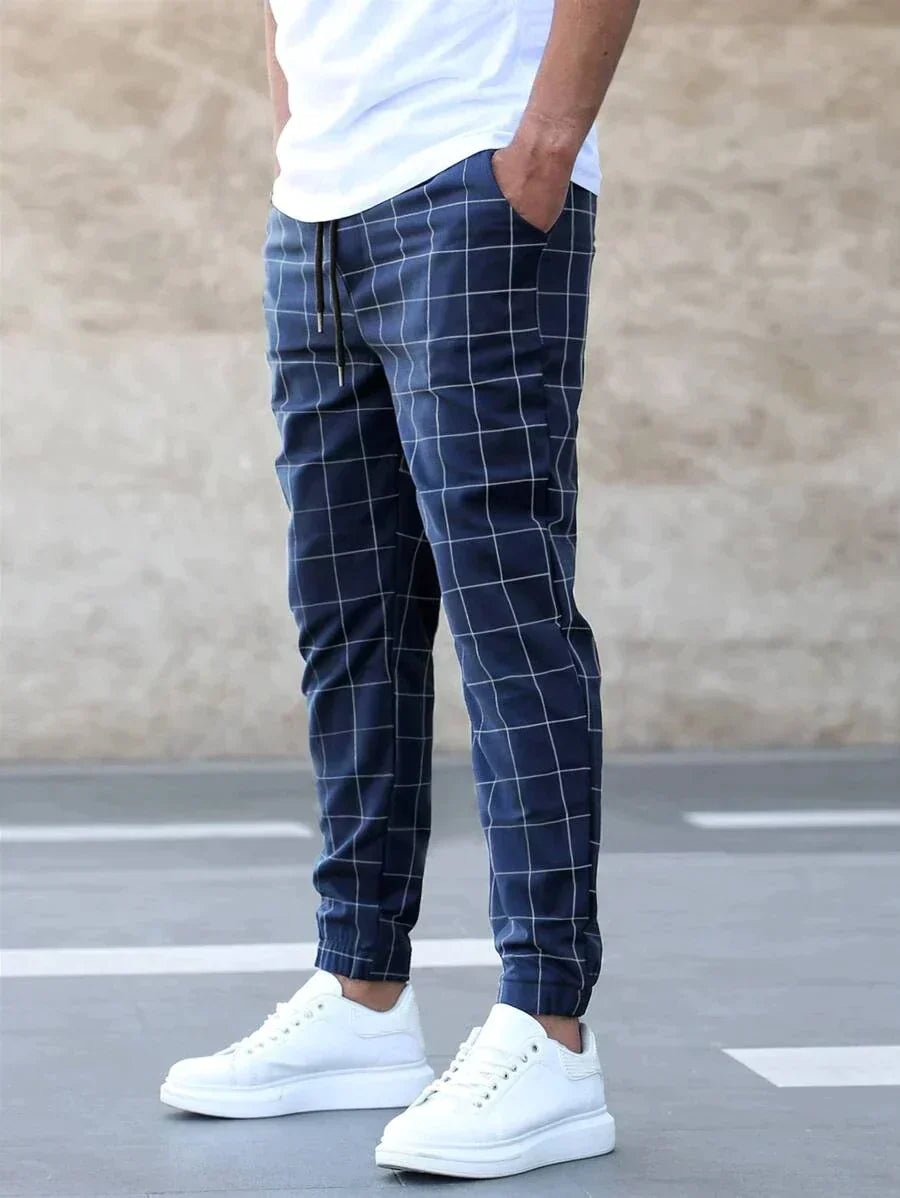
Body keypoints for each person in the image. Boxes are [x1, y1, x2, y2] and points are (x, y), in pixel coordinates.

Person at [161, 0, 639, 1179]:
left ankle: (549, 1026)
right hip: (315, 217)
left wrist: (542, 152)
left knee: (506, 609)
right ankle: (361, 991)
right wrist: (300, 151)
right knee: (349, 620)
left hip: (473, 183)